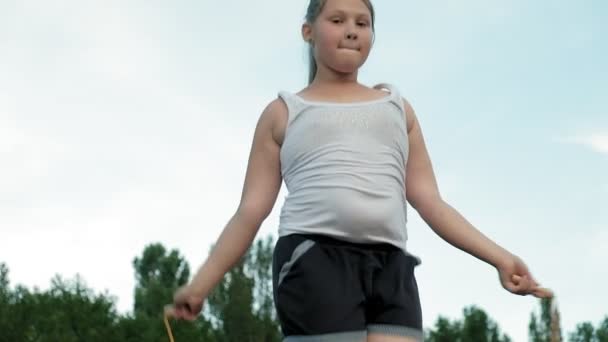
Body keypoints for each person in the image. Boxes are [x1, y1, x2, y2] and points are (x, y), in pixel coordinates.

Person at [165, 0, 553, 341]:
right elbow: (250, 212)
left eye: (362, 23)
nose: (351, 30)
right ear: (307, 31)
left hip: (391, 264)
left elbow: (431, 203)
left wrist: (500, 258)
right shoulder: (284, 113)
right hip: (313, 257)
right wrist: (201, 285)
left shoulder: (398, 110)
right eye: (337, 20)